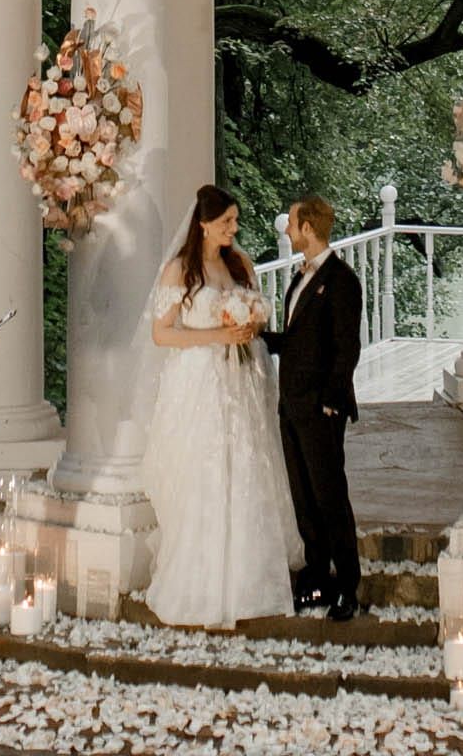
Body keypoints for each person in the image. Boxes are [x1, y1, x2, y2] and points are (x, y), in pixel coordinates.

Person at [141, 184, 302, 628]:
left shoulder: (239, 263)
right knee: (206, 473)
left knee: (247, 468)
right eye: (226, 221)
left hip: (241, 379)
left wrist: (249, 325)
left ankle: (251, 581)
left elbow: (254, 306)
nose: (234, 228)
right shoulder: (180, 271)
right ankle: (201, 582)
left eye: (234, 220)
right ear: (203, 224)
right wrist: (216, 336)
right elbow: (163, 334)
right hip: (200, 383)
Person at [262, 193, 364, 620]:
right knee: (303, 497)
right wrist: (260, 336)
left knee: (329, 497)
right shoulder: (299, 278)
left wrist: (330, 403)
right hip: (292, 405)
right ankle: (318, 576)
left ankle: (348, 585)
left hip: (320, 409)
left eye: (292, 223)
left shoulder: (341, 281)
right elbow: (299, 343)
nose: (286, 229)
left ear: (308, 227)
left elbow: (346, 349)